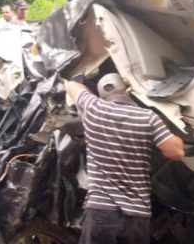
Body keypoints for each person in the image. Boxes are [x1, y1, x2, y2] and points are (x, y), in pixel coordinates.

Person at [65, 73, 185, 244]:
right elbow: (176, 152)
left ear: (102, 95)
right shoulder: (147, 117)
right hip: (137, 217)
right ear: (126, 89)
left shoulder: (94, 108)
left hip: (102, 211)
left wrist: (85, 91)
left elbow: (71, 85)